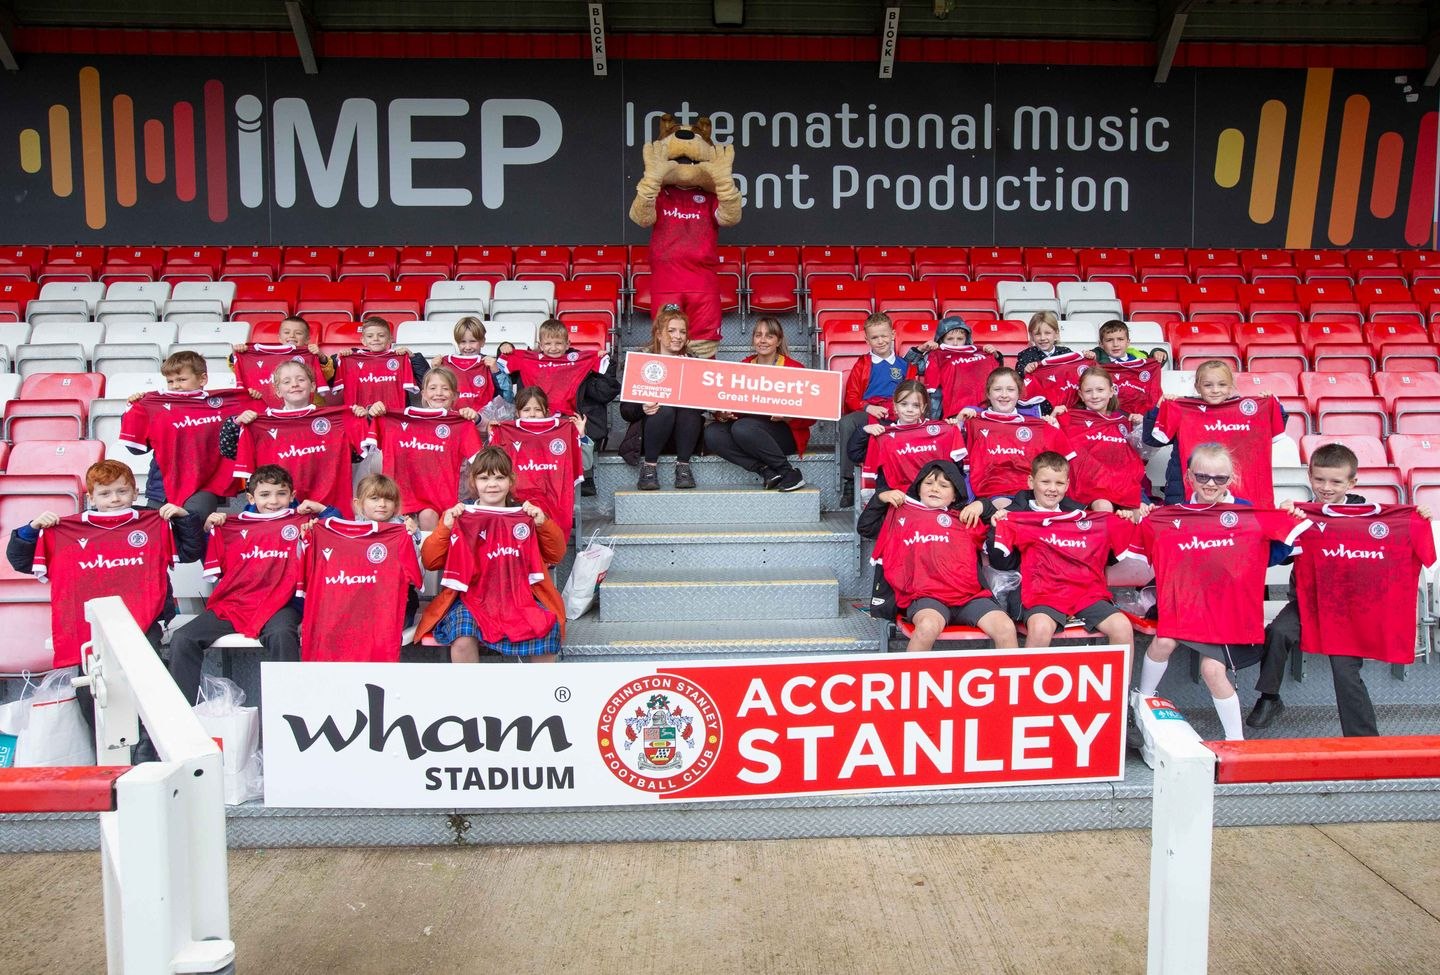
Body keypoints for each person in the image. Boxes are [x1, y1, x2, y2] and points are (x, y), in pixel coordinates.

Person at [1126, 443, 1310, 740]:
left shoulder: (1249, 512)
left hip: (1230, 612)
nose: (1210, 484)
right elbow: (1138, 536)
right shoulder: (1171, 516)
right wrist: (1138, 513)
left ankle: (1236, 742)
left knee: (1212, 670)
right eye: (1202, 476)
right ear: (1188, 476)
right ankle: (1142, 703)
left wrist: (1290, 515)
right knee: (1163, 642)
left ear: (1231, 478)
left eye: (1220, 478)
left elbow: (1271, 555)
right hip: (1188, 606)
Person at [1250, 443, 1433, 733]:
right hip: (1308, 605)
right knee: (1279, 632)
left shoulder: (1374, 518)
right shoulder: (1303, 515)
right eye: (1319, 479)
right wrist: (1286, 524)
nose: (1326, 487)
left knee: (1345, 671)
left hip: (1351, 613)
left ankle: (1364, 740)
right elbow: (1280, 558)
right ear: (1309, 477)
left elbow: (1413, 550)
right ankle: (1269, 697)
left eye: (1335, 482)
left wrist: (1417, 516)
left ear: (1352, 482)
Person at [167, 465, 334, 705]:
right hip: (234, 603)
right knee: (183, 638)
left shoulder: (303, 522)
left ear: (292, 495)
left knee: (281, 634)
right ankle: (181, 717)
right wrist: (207, 532)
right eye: (265, 494)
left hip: (281, 604)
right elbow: (208, 557)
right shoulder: (230, 525)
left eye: (281, 494)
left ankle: (288, 713)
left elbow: (341, 534)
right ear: (250, 498)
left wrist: (324, 512)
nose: (273, 501)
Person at [414, 447, 567, 663]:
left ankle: (540, 686)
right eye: (484, 478)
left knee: (546, 628)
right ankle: (472, 687)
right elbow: (430, 561)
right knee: (462, 638)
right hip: (469, 598)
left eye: (499, 477)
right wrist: (445, 528)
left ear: (511, 480)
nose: (492, 484)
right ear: (473, 482)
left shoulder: (527, 514)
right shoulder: (459, 515)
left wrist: (543, 524)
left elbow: (556, 554)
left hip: (521, 596)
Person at [859, 459, 1018, 652]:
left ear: (955, 495)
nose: (935, 488)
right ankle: (910, 673)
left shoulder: (965, 517)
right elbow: (866, 528)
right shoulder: (902, 514)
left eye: (944, 485)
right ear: (918, 488)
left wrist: (983, 505)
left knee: (1006, 628)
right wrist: (881, 497)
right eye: (928, 483)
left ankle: (1008, 673)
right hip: (927, 598)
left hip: (970, 598)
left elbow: (1003, 523)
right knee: (927, 628)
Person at [987, 453, 1135, 651]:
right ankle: (1029, 673)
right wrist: (997, 529)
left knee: (1122, 626)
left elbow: (1103, 557)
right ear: (1031, 482)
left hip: (1084, 591)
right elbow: (1002, 563)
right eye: (1045, 482)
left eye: (1059, 483)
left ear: (1067, 485)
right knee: (1040, 628)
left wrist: (1122, 525)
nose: (1052, 489)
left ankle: (1123, 675)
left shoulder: (1082, 516)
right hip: (1040, 593)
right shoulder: (1017, 516)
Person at [119, 350, 254, 536]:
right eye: (170, 381)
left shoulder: (223, 404)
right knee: (156, 536)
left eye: (182, 379)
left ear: (203, 378)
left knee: (193, 529)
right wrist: (133, 412)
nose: (175, 386)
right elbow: (136, 450)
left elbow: (248, 428)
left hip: (205, 485)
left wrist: (252, 397)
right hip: (162, 486)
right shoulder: (156, 406)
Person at [223, 359, 370, 513]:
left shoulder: (336, 419)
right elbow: (229, 450)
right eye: (286, 381)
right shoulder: (259, 423)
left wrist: (363, 419)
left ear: (313, 386)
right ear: (278, 391)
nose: (294, 384)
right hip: (278, 507)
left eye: (301, 379)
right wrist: (236, 423)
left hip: (327, 509)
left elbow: (355, 456)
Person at [1145, 358, 1286, 505]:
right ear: (1197, 386)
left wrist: (1271, 407)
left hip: (1239, 493)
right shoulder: (1182, 409)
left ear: (1231, 386)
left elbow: (1269, 430)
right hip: (1182, 492)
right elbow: (1151, 440)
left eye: (1222, 384)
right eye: (1208, 385)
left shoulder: (1248, 411)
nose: (1215, 390)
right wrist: (1160, 409)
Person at [502, 318, 617, 495]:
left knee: (574, 430)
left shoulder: (577, 359)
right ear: (540, 345)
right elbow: (502, 366)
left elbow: (606, 376)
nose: (553, 348)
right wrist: (504, 349)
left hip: (568, 416)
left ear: (567, 344)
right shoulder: (527, 359)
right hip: (537, 415)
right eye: (548, 344)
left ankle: (582, 476)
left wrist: (601, 357)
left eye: (558, 343)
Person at [362, 365, 483, 531]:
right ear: (423, 393)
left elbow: (481, 458)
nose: (439, 393)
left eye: (445, 388)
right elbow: (367, 437)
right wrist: (372, 412)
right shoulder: (393, 419)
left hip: (439, 501)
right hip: (398, 498)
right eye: (433, 388)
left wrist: (477, 418)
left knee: (429, 519)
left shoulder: (461, 422)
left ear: (455, 395)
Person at [705, 316, 814, 491]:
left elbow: (811, 417)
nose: (762, 340)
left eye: (769, 336)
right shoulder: (744, 366)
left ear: (778, 341)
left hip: (783, 434)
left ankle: (789, 473)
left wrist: (787, 417)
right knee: (713, 433)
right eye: (758, 335)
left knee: (742, 427)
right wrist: (723, 415)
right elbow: (734, 404)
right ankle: (766, 471)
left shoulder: (794, 369)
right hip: (748, 431)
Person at [959, 367, 1074, 510]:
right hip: (995, 494)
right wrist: (959, 423)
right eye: (998, 389)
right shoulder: (973, 422)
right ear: (988, 393)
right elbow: (953, 450)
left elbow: (1063, 460)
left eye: (1010, 389)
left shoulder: (1037, 425)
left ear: (1019, 393)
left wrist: (1053, 426)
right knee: (1007, 512)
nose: (1004, 395)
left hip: (1033, 492)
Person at [487, 386, 588, 542]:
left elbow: (585, 465)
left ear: (546, 412)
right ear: (517, 413)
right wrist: (493, 436)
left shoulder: (563, 431)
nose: (532, 414)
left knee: (549, 538)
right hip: (517, 504)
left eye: (537, 410)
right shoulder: (506, 433)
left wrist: (580, 436)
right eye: (526, 410)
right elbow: (491, 466)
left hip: (554, 505)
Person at [837, 312, 917, 507]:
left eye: (884, 336)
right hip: (869, 411)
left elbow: (913, 395)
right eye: (874, 337)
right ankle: (849, 480)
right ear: (867, 340)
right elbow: (851, 398)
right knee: (847, 423)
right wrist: (868, 407)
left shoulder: (905, 366)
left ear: (893, 334)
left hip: (898, 412)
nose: (880, 341)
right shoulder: (862, 364)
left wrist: (899, 409)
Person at [620, 307, 705, 490]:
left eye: (682, 332)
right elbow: (626, 412)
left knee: (689, 408)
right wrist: (642, 407)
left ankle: (683, 467)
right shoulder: (641, 362)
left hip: (684, 438)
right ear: (658, 335)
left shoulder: (694, 361)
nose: (678, 336)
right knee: (664, 409)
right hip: (649, 437)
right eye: (671, 330)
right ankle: (649, 469)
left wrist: (690, 376)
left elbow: (702, 408)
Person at [852, 380, 964, 501]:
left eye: (916, 405)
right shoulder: (883, 434)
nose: (909, 410)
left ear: (923, 408)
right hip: (897, 498)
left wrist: (952, 429)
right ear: (895, 406)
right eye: (904, 404)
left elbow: (956, 465)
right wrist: (864, 431)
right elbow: (855, 455)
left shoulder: (937, 431)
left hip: (933, 497)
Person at [1057, 367, 1147, 513]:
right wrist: (1053, 420)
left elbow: (1142, 454)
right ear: (1080, 394)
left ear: (1111, 391)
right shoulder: (1070, 420)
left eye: (1100, 390)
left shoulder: (1125, 421)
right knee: (1103, 506)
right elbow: (1051, 443)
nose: (1094, 395)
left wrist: (1141, 426)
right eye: (1088, 391)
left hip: (1123, 485)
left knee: (1139, 511)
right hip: (1090, 487)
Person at [902, 315, 1003, 420]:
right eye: (950, 339)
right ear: (941, 339)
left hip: (982, 409)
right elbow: (906, 366)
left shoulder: (981, 352)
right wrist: (921, 349)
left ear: (966, 339)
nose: (955, 343)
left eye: (960, 339)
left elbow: (998, 374)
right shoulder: (937, 354)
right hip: (951, 413)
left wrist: (995, 355)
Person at [229, 314, 331, 406]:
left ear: (307, 339)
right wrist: (237, 355)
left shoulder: (312, 353)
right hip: (271, 408)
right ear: (279, 338)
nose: (292, 336)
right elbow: (243, 371)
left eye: (298, 333)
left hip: (311, 407)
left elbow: (327, 376)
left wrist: (321, 357)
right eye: (287, 332)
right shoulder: (266, 356)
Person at [331, 316, 422, 412]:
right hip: (361, 415)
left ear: (390, 339)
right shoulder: (349, 359)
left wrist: (412, 357)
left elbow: (425, 380)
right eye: (370, 336)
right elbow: (329, 376)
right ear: (363, 341)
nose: (376, 339)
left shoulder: (400, 358)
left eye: (381, 335)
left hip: (393, 416)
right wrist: (338, 359)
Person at [429, 316, 509, 413]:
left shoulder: (491, 364)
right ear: (457, 343)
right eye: (463, 342)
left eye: (472, 341)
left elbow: (507, 399)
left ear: (482, 342)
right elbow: (433, 397)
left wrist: (496, 372)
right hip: (453, 417)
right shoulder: (445, 364)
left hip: (482, 419)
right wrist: (436, 370)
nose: (468, 347)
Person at [1015, 311, 1094, 375]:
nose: (1043, 338)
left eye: (1047, 333)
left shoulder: (1065, 352)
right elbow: (1018, 373)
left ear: (1056, 334)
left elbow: (1079, 367)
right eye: (1037, 334)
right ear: (1031, 336)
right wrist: (1026, 370)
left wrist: (1088, 356)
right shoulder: (1026, 355)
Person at [1090, 319, 1170, 367]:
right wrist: (1090, 355)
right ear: (1101, 344)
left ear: (1128, 342)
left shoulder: (1138, 357)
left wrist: (1158, 353)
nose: (1115, 344)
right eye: (1109, 340)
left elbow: (1153, 362)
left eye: (1120, 339)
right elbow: (1092, 355)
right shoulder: (1098, 359)